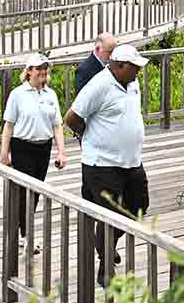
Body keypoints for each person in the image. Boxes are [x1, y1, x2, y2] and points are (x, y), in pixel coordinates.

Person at [64, 44, 150, 287]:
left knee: (139, 206)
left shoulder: (132, 83)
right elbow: (71, 117)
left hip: (131, 161)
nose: (139, 71)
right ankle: (105, 268)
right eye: (135, 67)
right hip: (102, 163)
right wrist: (89, 136)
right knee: (109, 215)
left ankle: (104, 245)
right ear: (120, 66)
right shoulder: (99, 85)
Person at [0, 53, 68, 254]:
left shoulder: (50, 94)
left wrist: (61, 152)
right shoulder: (18, 94)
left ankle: (22, 232)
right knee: (25, 193)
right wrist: (4, 154)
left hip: (43, 147)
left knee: (35, 192)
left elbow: (57, 125)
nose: (43, 72)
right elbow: (8, 125)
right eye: (38, 69)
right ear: (29, 71)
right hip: (23, 146)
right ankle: (26, 236)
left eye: (45, 68)